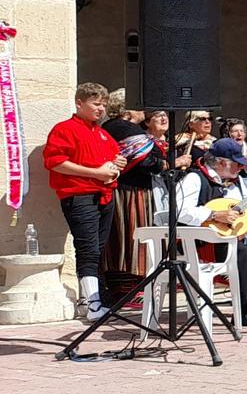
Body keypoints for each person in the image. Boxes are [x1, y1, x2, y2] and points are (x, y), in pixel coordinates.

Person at [175, 138, 247, 328]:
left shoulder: (237, 182)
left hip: (231, 236)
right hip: (204, 241)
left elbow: (239, 214)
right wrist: (214, 214)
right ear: (221, 162)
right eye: (238, 164)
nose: (241, 168)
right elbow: (179, 211)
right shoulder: (194, 178)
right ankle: (243, 309)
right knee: (243, 253)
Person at [44, 83, 125, 321]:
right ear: (79, 103)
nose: (100, 109)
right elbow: (55, 161)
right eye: (95, 103)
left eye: (103, 104)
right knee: (88, 248)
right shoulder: (65, 129)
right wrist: (96, 173)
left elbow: (114, 160)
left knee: (97, 248)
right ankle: (93, 304)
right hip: (79, 195)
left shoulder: (101, 133)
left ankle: (91, 298)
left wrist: (116, 167)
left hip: (104, 195)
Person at [100, 93, 165, 304]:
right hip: (131, 192)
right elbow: (149, 160)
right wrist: (164, 163)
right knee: (132, 237)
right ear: (127, 109)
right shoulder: (125, 128)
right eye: (138, 105)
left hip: (125, 189)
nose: (143, 110)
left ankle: (124, 287)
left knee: (122, 238)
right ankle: (130, 288)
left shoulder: (111, 127)